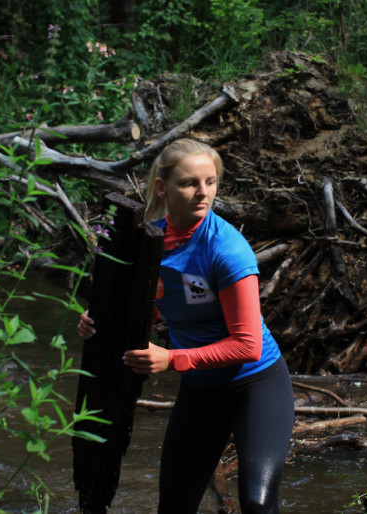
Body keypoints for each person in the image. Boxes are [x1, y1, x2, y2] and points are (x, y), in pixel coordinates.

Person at [78, 139, 295, 513]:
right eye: (190, 183)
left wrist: (173, 358)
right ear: (162, 188)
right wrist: (97, 324)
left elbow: (247, 345)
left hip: (255, 383)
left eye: (210, 182)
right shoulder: (148, 242)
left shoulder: (226, 249)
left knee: (258, 504)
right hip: (201, 389)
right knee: (174, 507)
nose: (203, 193)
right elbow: (141, 312)